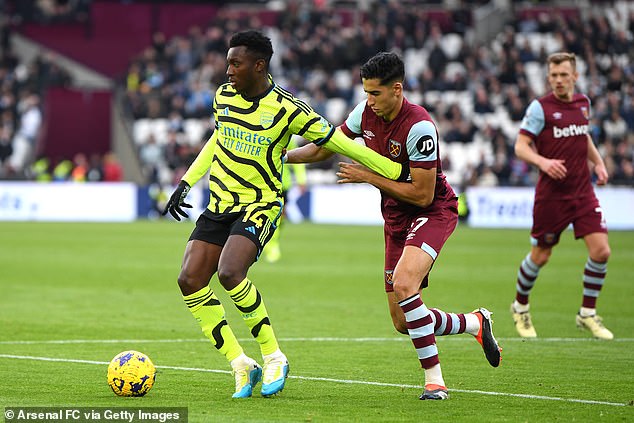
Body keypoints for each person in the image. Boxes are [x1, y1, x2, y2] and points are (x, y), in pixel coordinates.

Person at [162, 31, 406, 399]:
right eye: (228, 62)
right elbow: (219, 138)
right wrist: (186, 180)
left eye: (235, 63)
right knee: (189, 279)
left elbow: (338, 142)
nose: (227, 70)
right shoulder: (223, 96)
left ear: (259, 65)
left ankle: (274, 355)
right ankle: (240, 364)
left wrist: (390, 169)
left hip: (260, 203)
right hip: (220, 203)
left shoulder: (289, 109)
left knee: (230, 272)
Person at [287, 52, 501, 400]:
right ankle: (474, 322)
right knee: (403, 322)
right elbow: (327, 147)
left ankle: (435, 382)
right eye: (366, 92)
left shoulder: (419, 127)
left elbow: (421, 193)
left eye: (374, 93)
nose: (368, 101)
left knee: (404, 285)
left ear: (397, 89)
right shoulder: (365, 112)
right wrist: (281, 156)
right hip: (396, 218)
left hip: (431, 211)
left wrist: (366, 176)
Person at [510, 52, 613, 340]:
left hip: (582, 193)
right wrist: (543, 162)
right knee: (540, 256)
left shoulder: (583, 104)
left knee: (601, 251)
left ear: (575, 77)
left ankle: (587, 314)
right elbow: (521, 146)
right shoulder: (540, 108)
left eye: (563, 75)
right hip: (551, 197)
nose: (558, 80)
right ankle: (520, 307)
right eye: (553, 75)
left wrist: (599, 162)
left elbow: (584, 136)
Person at [263, 135, 307, 263]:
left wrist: (301, 179)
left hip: (282, 183)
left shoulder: (289, 139)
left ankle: (272, 243)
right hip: (262, 183)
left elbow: (298, 159)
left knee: (280, 216)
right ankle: (270, 245)